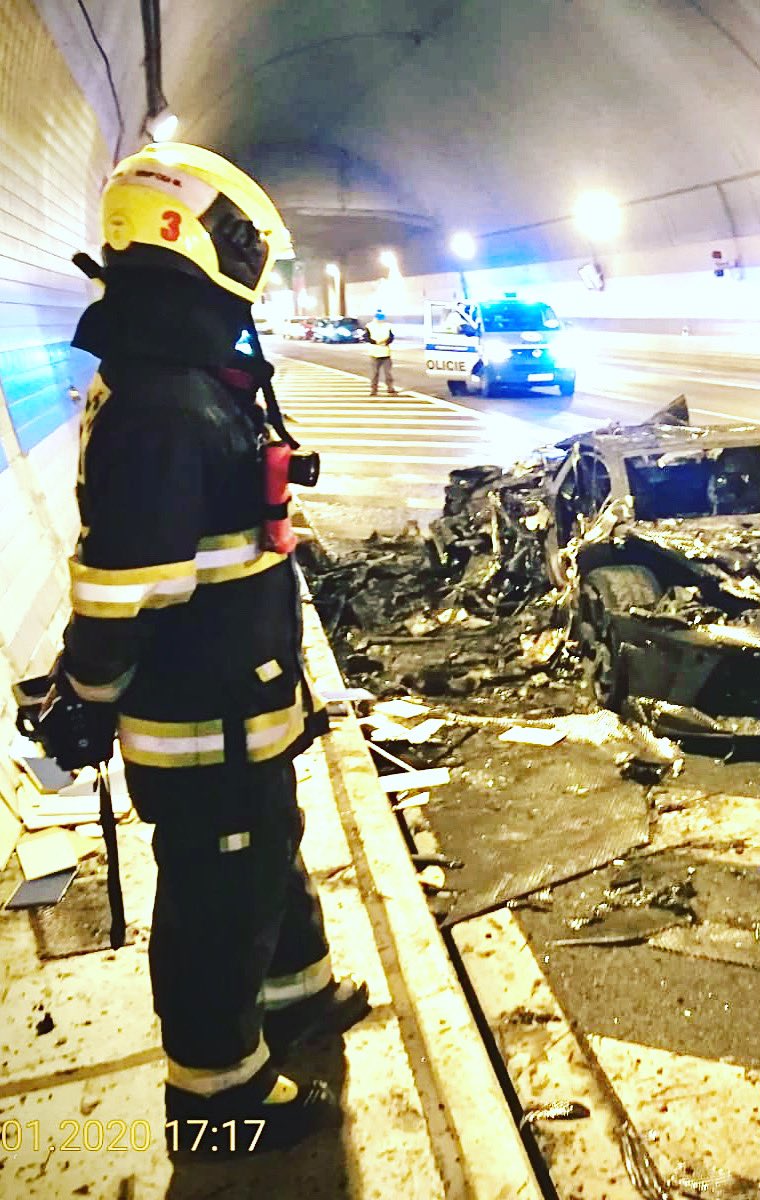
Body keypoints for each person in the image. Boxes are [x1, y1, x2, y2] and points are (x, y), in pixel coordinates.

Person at [59, 142, 367, 1154]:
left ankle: (295, 999)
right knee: (216, 893)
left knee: (266, 861)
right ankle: (215, 1092)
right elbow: (119, 587)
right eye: (243, 247)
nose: (253, 271)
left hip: (240, 700)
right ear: (184, 237)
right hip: (201, 717)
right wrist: (86, 691)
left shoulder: (181, 374)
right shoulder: (162, 399)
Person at [365, 308, 398, 395]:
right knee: (376, 373)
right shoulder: (370, 326)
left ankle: (388, 388)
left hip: (384, 352)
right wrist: (380, 342)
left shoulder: (387, 326)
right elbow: (367, 337)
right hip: (376, 352)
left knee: (385, 373)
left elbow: (391, 337)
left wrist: (383, 342)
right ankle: (375, 389)